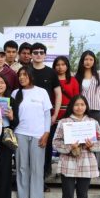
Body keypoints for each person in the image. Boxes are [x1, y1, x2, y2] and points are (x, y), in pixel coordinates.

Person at [53, 95, 100, 198]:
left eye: (82, 104)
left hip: (86, 162)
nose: (79, 107)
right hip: (68, 162)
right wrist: (69, 146)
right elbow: (56, 142)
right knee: (68, 194)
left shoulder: (92, 123)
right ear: (72, 106)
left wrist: (92, 146)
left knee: (83, 194)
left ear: (86, 106)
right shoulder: (64, 122)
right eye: (76, 104)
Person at [12, 67, 52, 198]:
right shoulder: (15, 93)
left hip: (38, 135)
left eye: (25, 75)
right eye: (20, 75)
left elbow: (47, 114)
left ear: (31, 76)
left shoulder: (42, 92)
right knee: (22, 166)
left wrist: (46, 133)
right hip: (20, 133)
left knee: (37, 167)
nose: (22, 77)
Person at [29, 42, 62, 182]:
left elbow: (58, 94)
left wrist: (55, 114)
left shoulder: (51, 72)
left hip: (45, 116)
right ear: (31, 55)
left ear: (45, 55)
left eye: (41, 52)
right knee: (29, 149)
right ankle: (30, 180)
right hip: (27, 117)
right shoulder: (26, 71)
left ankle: (43, 178)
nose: (38, 55)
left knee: (45, 146)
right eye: (35, 52)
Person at [75, 50, 100, 171]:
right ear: (82, 61)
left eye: (91, 59)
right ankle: (82, 165)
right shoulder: (77, 76)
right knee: (82, 138)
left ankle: (96, 166)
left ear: (94, 61)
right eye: (86, 59)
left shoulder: (99, 74)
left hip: (96, 111)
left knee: (95, 139)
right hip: (81, 111)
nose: (88, 62)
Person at [53, 56, 80, 120]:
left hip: (68, 113)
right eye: (57, 65)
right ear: (54, 67)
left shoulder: (73, 80)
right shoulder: (51, 80)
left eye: (63, 64)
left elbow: (76, 98)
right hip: (53, 113)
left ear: (67, 66)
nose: (60, 67)